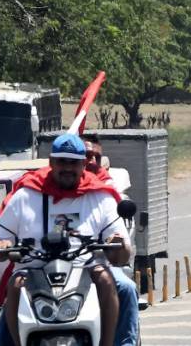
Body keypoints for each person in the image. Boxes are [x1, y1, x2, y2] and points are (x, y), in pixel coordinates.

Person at [0, 134, 129, 346]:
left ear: (83, 164)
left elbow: (120, 245)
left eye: (73, 162)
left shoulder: (99, 196)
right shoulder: (26, 195)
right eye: (62, 161)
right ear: (51, 162)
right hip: (34, 271)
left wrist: (115, 240)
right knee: (15, 284)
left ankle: (110, 343)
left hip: (86, 270)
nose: (67, 168)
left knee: (116, 283)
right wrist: (2, 245)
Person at [83, 136, 140, 346]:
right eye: (86, 156)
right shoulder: (46, 193)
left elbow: (121, 244)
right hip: (53, 267)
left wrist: (115, 241)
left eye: (96, 157)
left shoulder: (106, 195)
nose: (91, 162)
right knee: (15, 289)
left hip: (96, 265)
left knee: (126, 287)